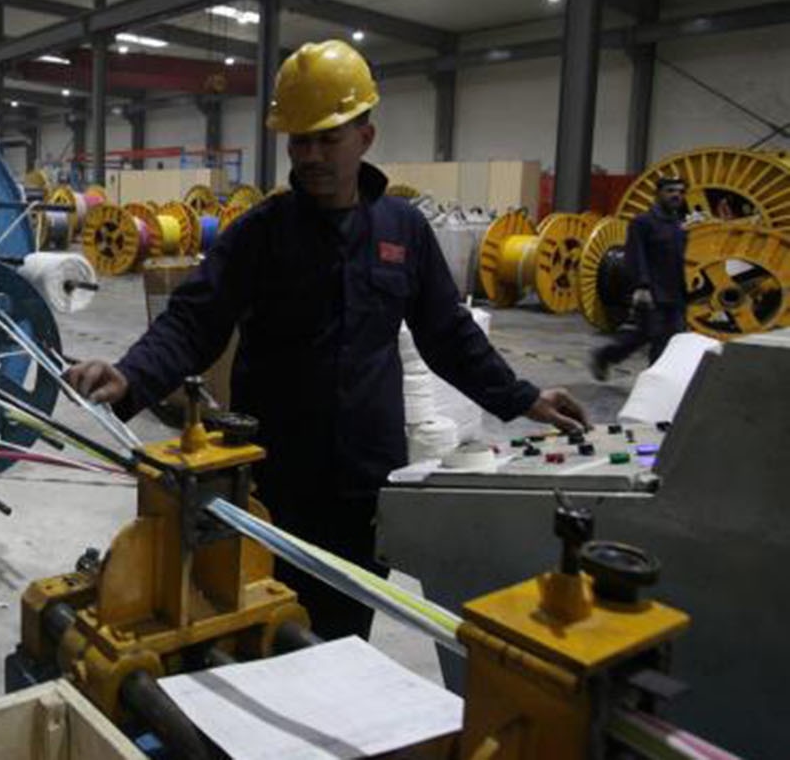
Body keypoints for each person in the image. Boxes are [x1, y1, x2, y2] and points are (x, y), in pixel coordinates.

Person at [64, 40, 588, 641]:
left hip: (366, 482)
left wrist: (523, 398)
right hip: (272, 481)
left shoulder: (404, 231)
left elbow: (448, 335)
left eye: (326, 138)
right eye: (299, 140)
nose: (310, 155)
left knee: (343, 636)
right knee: (260, 630)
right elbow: (193, 320)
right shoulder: (261, 234)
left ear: (365, 136)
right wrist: (132, 375)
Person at [589, 178, 688, 378]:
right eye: (670, 191)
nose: (676, 195)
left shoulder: (678, 225)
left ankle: (606, 356)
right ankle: (653, 382)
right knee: (654, 337)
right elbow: (635, 256)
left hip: (675, 293)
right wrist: (641, 286)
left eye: (680, 191)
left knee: (667, 337)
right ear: (658, 194)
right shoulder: (642, 222)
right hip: (652, 292)